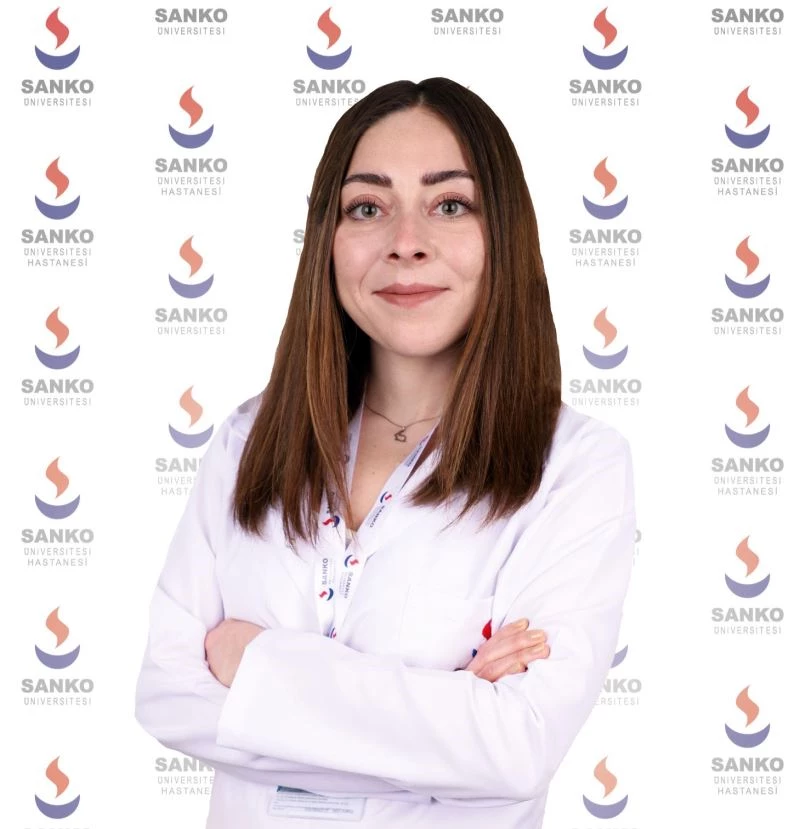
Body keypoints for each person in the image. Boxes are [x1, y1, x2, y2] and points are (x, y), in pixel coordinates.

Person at [135, 77, 635, 828]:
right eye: (367, 207)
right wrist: (449, 711)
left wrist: (255, 665)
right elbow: (167, 696)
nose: (406, 240)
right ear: (327, 240)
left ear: (504, 232)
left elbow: (515, 748)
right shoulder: (247, 441)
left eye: (450, 204)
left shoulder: (574, 466)